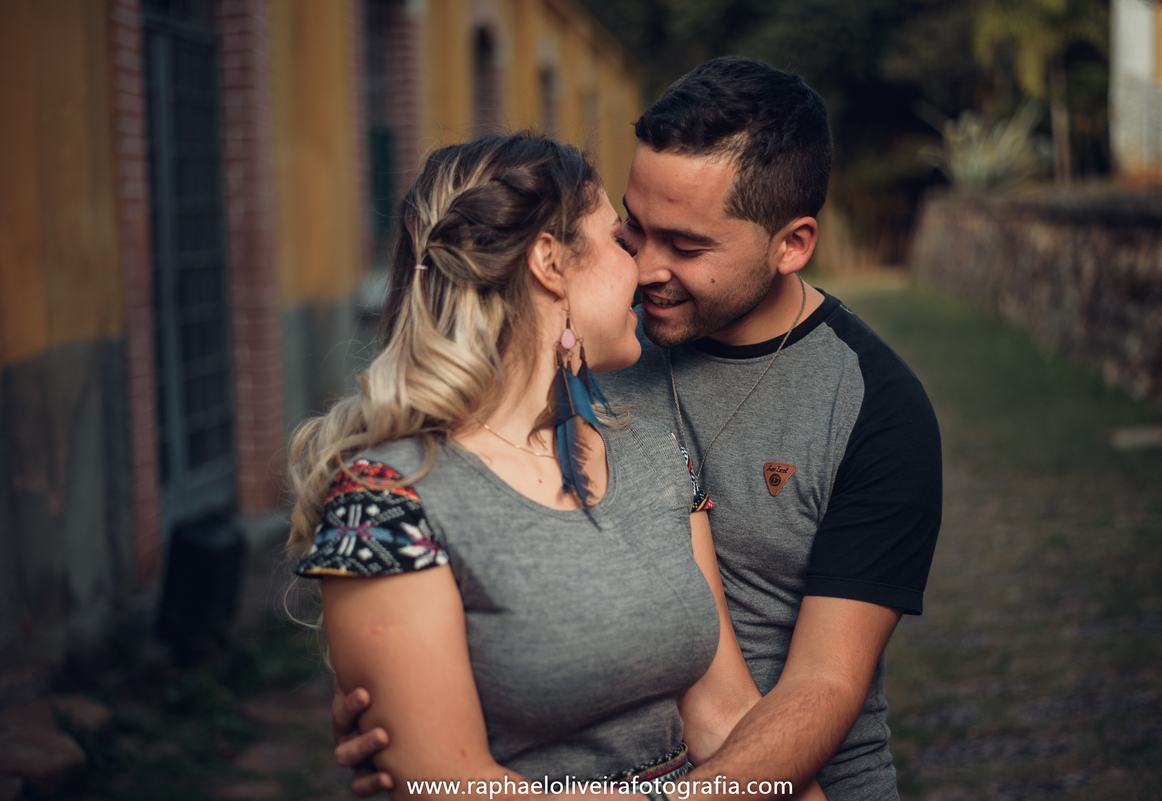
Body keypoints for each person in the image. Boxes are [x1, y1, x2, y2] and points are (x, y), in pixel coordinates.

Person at [335, 58, 941, 801]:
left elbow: (807, 686)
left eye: (685, 246)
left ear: (792, 244)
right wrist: (417, 720)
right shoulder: (584, 365)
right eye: (629, 231)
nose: (647, 267)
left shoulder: (871, 409)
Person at [288, 132, 825, 800]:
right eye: (620, 243)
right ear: (549, 259)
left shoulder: (658, 455)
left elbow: (725, 715)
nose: (644, 271)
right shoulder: (386, 501)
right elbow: (452, 785)